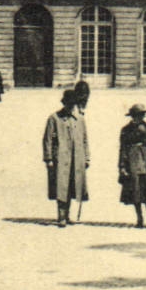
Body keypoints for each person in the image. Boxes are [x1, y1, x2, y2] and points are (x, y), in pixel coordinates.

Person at [43, 89, 90, 226]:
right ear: (64, 104)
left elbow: (85, 140)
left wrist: (87, 157)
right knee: (61, 186)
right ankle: (61, 216)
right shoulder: (54, 118)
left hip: (77, 159)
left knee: (72, 186)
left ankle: (67, 215)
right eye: (68, 104)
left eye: (73, 104)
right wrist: (48, 158)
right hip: (60, 159)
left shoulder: (80, 119)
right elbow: (47, 140)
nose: (71, 107)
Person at [118, 104, 146, 228]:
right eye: (137, 115)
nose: (140, 118)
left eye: (142, 115)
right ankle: (139, 218)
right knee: (136, 189)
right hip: (132, 159)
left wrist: (145, 133)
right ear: (132, 116)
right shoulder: (126, 129)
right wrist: (122, 165)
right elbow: (123, 148)